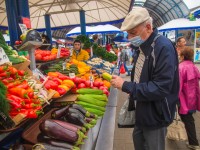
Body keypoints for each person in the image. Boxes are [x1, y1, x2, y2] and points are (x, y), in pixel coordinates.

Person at [110, 6, 179, 150]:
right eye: (128, 34)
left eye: (133, 33)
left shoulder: (163, 47)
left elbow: (160, 88)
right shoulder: (142, 47)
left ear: (148, 27)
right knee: (139, 142)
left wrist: (125, 85)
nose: (129, 38)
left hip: (156, 115)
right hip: (142, 110)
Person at [178, 46, 200, 150]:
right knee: (189, 119)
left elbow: (178, 86)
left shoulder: (181, 67)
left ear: (182, 56)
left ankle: (194, 143)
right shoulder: (194, 66)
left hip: (183, 99)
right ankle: (193, 142)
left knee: (187, 120)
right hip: (193, 98)